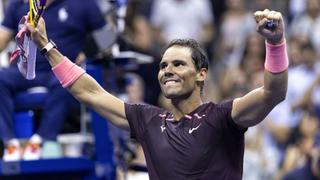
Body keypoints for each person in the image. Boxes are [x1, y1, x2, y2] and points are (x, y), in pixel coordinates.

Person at [28, 8, 288, 180]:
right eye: (163, 66)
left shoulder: (223, 117)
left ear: (202, 74)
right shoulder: (147, 120)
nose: (168, 71)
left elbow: (272, 93)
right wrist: (46, 45)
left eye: (178, 64)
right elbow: (89, 92)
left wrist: (275, 44)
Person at [0, 0, 107, 161]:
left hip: (59, 69)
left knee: (65, 80)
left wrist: (88, 52)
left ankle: (41, 140)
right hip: (23, 71)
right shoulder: (19, 3)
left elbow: (108, 35)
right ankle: (9, 143)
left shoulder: (83, 3)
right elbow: (3, 37)